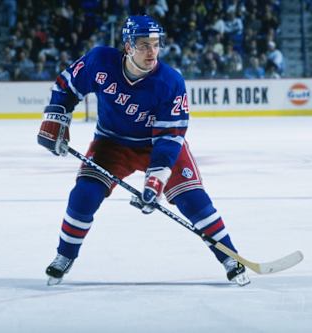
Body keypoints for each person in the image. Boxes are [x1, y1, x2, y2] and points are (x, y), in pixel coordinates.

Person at [37, 15, 250, 286]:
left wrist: (155, 181)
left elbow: (170, 138)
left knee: (193, 200)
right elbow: (66, 86)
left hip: (158, 147)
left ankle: (230, 257)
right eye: (144, 45)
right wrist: (56, 117)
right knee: (83, 196)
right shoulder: (100, 60)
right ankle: (64, 256)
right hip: (112, 144)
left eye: (156, 44)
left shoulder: (170, 81)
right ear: (128, 46)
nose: (152, 52)